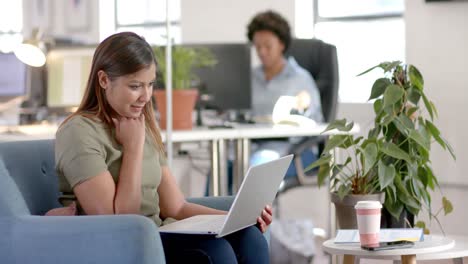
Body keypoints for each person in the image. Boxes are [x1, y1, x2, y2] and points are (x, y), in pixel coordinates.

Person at [55, 32, 272, 264]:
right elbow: (117, 223)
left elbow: (176, 206)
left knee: (250, 237)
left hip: (160, 233)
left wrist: (239, 219)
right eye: (135, 86)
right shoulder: (79, 131)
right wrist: (133, 148)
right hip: (123, 241)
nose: (146, 96)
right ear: (104, 80)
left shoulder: (140, 123)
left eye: (150, 85)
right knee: (215, 252)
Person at [246, 10, 323, 176]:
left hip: (292, 151)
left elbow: (314, 120)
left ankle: (258, 203)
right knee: (221, 167)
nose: (262, 52)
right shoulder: (250, 78)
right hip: (251, 147)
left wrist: (302, 104)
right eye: (258, 46)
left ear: (281, 44)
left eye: (267, 46)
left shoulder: (300, 78)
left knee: (258, 166)